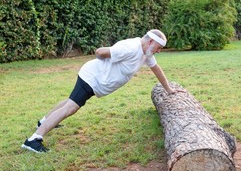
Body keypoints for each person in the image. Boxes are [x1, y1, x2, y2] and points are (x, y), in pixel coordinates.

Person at [22, 29, 182, 153]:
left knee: (69, 102)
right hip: (92, 78)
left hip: (96, 81)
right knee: (71, 107)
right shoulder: (129, 48)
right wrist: (103, 67)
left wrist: (168, 89)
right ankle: (33, 140)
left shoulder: (145, 53)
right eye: (159, 47)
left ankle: (44, 121)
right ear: (151, 42)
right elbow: (99, 52)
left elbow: (156, 69)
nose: (159, 51)